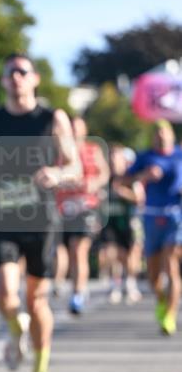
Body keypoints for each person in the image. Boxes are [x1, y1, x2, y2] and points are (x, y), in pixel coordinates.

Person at [0, 52, 80, 372]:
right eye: (10, 73)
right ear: (4, 81)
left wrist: (58, 173)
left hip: (41, 218)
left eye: (22, 71)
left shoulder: (52, 118)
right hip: (2, 215)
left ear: (34, 78)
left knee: (36, 301)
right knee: (5, 293)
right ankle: (15, 328)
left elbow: (75, 167)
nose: (16, 77)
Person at [114, 120, 182, 335]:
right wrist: (143, 176)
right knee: (154, 275)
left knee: (171, 265)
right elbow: (121, 182)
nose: (161, 137)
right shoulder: (145, 157)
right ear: (153, 137)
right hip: (151, 216)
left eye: (164, 133)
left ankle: (170, 315)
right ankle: (161, 300)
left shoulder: (179, 155)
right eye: (157, 133)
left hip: (175, 216)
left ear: (171, 135)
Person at [54, 116, 110, 315]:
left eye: (78, 129)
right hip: (62, 207)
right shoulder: (58, 150)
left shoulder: (93, 150)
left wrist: (93, 183)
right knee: (61, 251)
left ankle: (77, 294)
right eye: (72, 129)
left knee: (79, 250)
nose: (75, 132)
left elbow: (104, 173)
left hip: (86, 206)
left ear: (84, 131)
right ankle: (59, 282)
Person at [98, 144, 143, 304]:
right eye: (111, 158)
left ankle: (130, 283)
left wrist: (123, 193)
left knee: (129, 255)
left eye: (116, 158)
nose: (113, 162)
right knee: (111, 253)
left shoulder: (130, 177)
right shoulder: (105, 178)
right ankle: (115, 285)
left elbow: (139, 198)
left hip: (128, 221)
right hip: (110, 222)